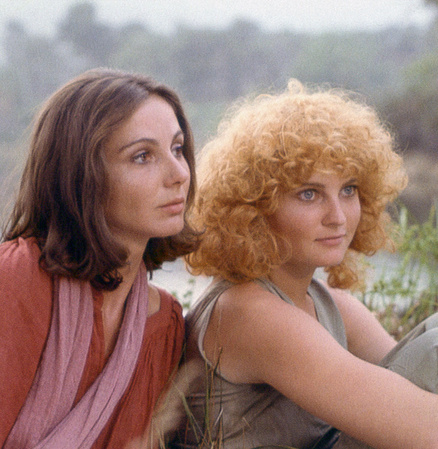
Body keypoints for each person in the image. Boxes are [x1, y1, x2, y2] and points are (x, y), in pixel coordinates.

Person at [171, 80, 438, 449]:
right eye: (309, 194)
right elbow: (426, 427)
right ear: (254, 209)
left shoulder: (327, 302)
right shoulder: (247, 312)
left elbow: (416, 382)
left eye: (349, 190)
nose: (338, 217)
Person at [0, 68, 199, 449]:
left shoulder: (164, 323)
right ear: (82, 175)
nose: (178, 174)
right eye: (142, 157)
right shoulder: (13, 279)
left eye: (178, 149)